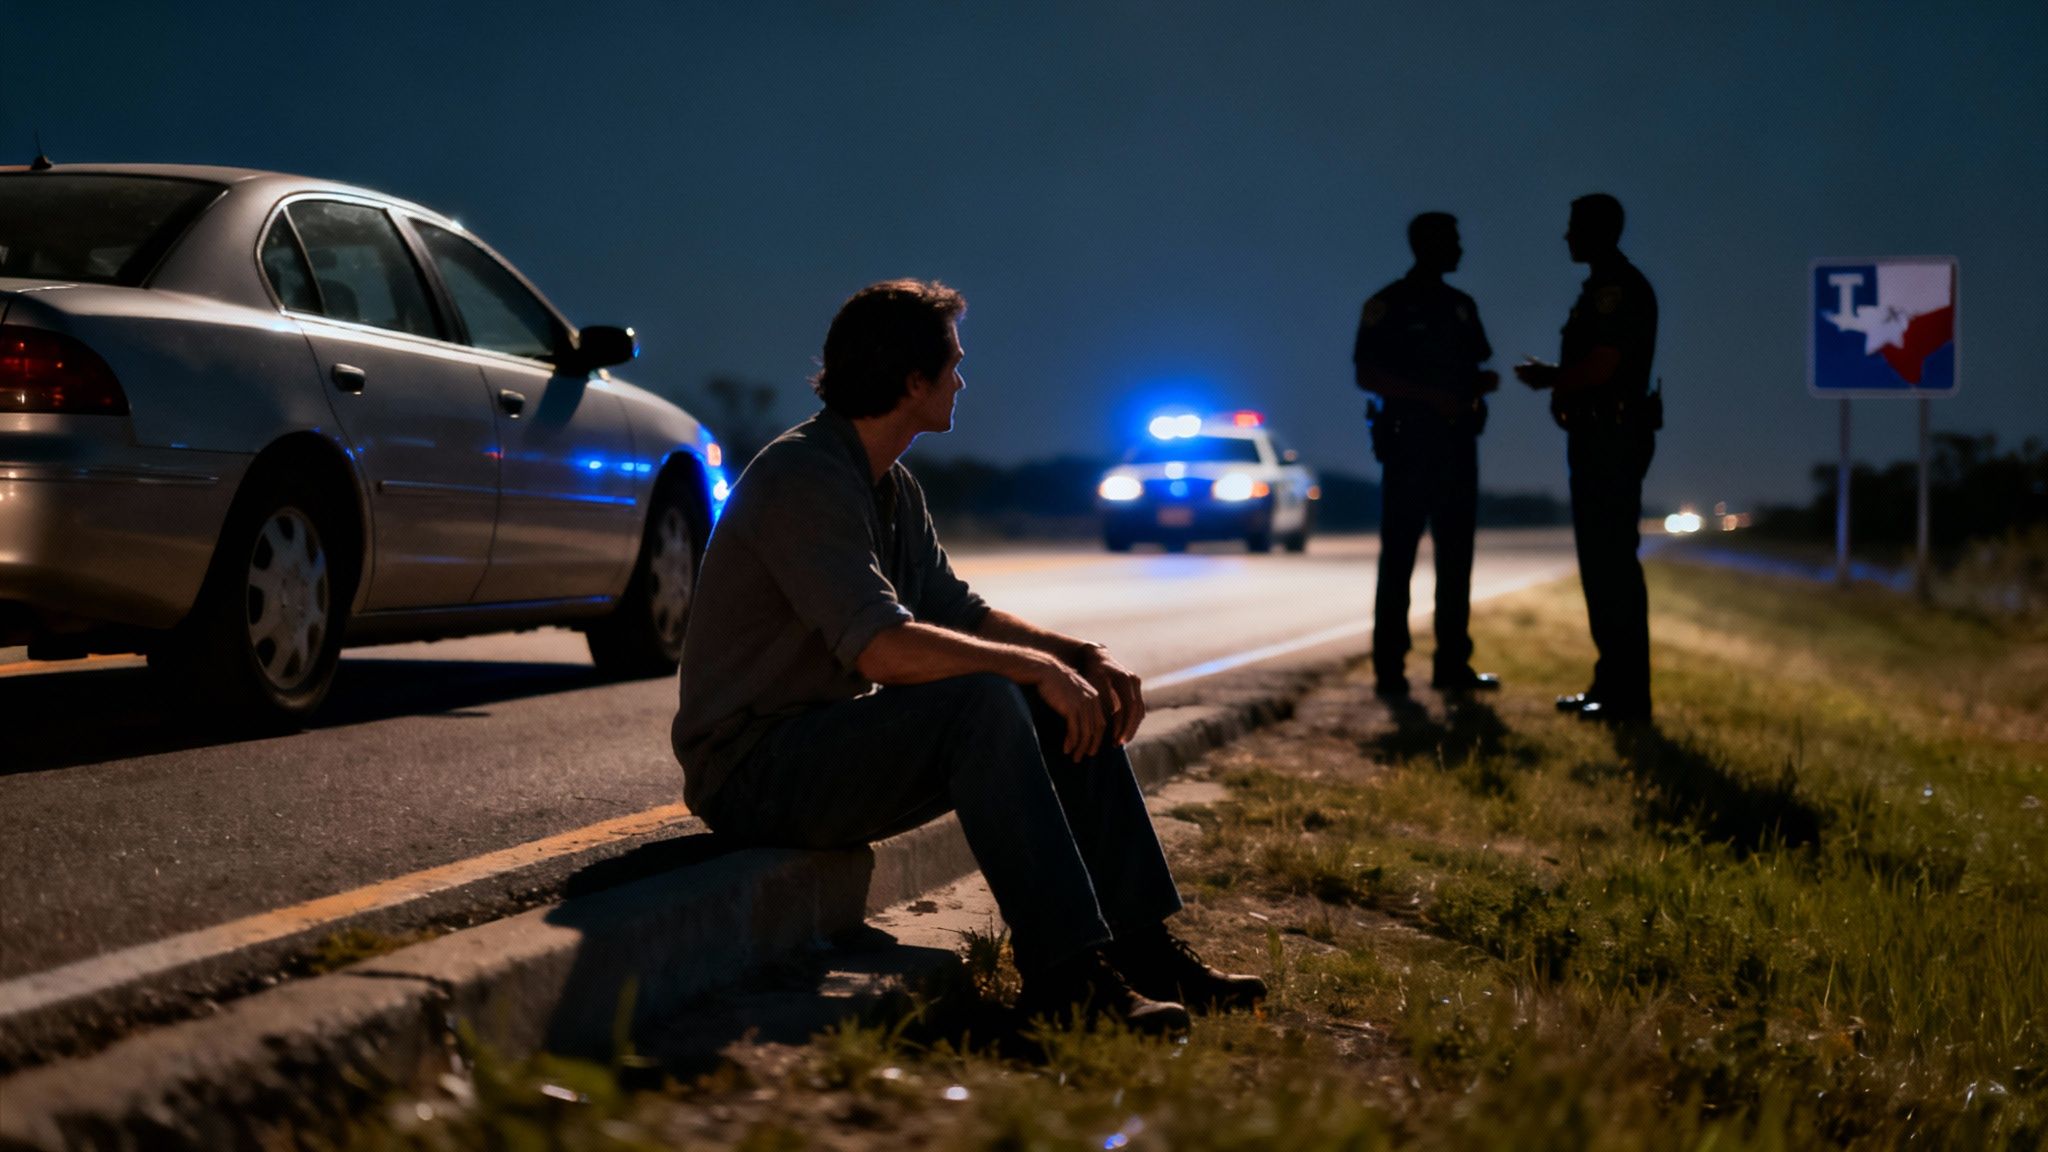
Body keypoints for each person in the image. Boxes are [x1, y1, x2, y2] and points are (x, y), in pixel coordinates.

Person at [672, 279, 1264, 1035]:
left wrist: (1076, 656)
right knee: (987, 698)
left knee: (1049, 692)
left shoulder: (890, 485)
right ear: (912, 382)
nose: (961, 379)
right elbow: (884, 648)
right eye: (952, 364)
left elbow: (962, 615)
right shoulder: (804, 477)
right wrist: (1030, 671)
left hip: (823, 750)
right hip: (753, 771)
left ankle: (1142, 950)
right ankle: (1064, 979)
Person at [1513, 194, 1661, 723]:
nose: (1566, 236)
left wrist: (1552, 379)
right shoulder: (1601, 289)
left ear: (1600, 231)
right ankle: (1610, 685)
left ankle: (1626, 697)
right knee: (1601, 568)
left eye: (1574, 226)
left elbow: (1603, 367)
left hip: (1611, 442)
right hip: (1598, 438)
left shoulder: (1617, 291)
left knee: (1612, 566)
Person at [1352, 212, 1502, 698]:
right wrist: (1428, 397)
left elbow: (1477, 362)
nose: (1460, 249)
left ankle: (1452, 664)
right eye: (1452, 241)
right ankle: (1390, 670)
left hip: (1458, 446)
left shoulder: (1461, 306)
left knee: (1457, 560)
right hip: (1409, 447)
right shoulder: (1389, 304)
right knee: (1398, 559)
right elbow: (1367, 373)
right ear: (1428, 245)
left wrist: (1478, 387)